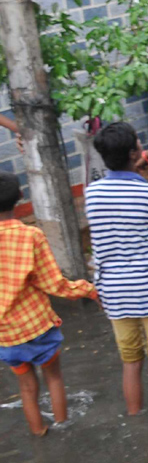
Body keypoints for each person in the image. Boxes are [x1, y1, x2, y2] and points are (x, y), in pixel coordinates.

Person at [85, 122, 148, 414]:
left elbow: (107, 235)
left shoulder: (91, 194)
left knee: (130, 361)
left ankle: (135, 415)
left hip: (113, 288)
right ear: (134, 154)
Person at [0, 173, 98, 435]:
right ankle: (63, 427)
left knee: (27, 387)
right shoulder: (31, 236)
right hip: (37, 326)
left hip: (6, 334)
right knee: (54, 378)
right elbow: (54, 284)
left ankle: (39, 433)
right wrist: (88, 289)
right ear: (21, 197)